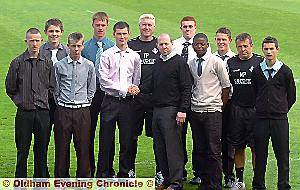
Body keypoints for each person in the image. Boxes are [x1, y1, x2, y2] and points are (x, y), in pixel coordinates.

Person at [5, 28, 55, 177]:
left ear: (41, 42)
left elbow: (52, 87)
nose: (34, 44)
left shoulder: (47, 62)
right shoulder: (17, 62)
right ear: (26, 41)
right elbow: (10, 88)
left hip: (42, 113)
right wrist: (21, 102)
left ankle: (40, 181)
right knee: (22, 150)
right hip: (24, 113)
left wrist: (43, 100)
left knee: (41, 150)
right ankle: (20, 181)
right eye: (31, 40)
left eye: (37, 40)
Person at [147, 33, 192, 190]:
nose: (164, 47)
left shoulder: (179, 62)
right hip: (157, 110)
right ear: (157, 46)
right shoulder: (158, 62)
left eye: (166, 44)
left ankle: (176, 182)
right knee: (160, 147)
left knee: (173, 148)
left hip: (172, 111)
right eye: (161, 44)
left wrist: (182, 110)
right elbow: (151, 85)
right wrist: (135, 89)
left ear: (171, 44)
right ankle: (166, 180)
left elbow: (187, 87)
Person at [96, 21, 141, 178]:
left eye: (124, 33)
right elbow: (104, 81)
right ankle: (104, 173)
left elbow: (136, 78)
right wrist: (124, 88)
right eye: (119, 34)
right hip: (110, 101)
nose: (122, 36)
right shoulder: (106, 55)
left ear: (129, 34)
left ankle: (124, 173)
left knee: (127, 140)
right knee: (106, 139)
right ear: (114, 34)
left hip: (128, 103)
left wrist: (133, 88)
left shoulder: (134, 56)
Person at [252, 36, 296, 190]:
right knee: (260, 155)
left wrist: (280, 109)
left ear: (277, 50)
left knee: (282, 155)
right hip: (261, 119)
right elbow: (254, 92)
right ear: (262, 50)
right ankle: (258, 185)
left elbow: (291, 96)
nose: (269, 52)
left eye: (272, 49)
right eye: (266, 49)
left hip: (279, 120)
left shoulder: (285, 71)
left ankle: (283, 185)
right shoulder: (257, 71)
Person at [188, 33, 230, 190]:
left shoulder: (216, 62)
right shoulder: (191, 63)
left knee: (213, 149)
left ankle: (215, 184)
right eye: (196, 44)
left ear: (207, 45)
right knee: (200, 148)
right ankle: (205, 183)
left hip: (212, 111)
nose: (199, 47)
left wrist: (220, 106)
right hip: (195, 111)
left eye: (202, 44)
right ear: (193, 45)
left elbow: (226, 87)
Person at [54, 32, 96, 177]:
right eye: (73, 46)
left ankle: (83, 180)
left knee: (83, 147)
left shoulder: (89, 65)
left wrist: (85, 102)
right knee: (61, 147)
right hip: (63, 110)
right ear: (68, 46)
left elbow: (92, 88)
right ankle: (61, 180)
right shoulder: (59, 65)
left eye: (79, 46)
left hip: (82, 111)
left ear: (83, 46)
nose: (76, 49)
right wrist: (62, 102)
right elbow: (56, 88)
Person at [227, 33, 264, 190]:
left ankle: (257, 181)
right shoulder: (231, 62)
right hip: (237, 111)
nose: (243, 49)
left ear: (251, 46)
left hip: (255, 112)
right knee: (239, 146)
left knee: (256, 147)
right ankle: (240, 180)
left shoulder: (260, 62)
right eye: (240, 47)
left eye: (246, 46)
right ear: (236, 47)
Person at [127, 13, 161, 180]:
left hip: (155, 100)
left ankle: (160, 172)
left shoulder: (159, 44)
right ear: (139, 26)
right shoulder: (131, 44)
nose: (146, 27)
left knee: (158, 137)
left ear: (154, 27)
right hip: (135, 99)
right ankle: (129, 170)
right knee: (132, 136)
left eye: (149, 25)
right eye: (144, 24)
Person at [82, 11, 115, 177]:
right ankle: (89, 169)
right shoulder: (85, 47)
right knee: (88, 132)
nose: (100, 28)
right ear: (93, 25)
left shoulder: (113, 47)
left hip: (109, 95)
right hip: (90, 95)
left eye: (103, 25)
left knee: (107, 133)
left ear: (107, 25)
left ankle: (107, 170)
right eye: (97, 25)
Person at [40, 18, 69, 177]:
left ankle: (62, 174)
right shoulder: (40, 50)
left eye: (57, 31)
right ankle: (42, 174)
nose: (54, 34)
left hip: (63, 103)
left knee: (63, 139)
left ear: (61, 33)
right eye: (51, 31)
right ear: (46, 33)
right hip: (44, 102)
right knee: (43, 139)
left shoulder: (68, 51)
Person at [172, 15, 197, 183]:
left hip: (196, 98)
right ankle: (180, 170)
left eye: (190, 26)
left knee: (198, 136)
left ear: (195, 28)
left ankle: (199, 171)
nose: (187, 29)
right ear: (181, 28)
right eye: (185, 27)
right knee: (178, 136)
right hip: (178, 99)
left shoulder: (202, 45)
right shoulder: (174, 45)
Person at [213, 27, 236, 188]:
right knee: (213, 140)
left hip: (230, 105)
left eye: (224, 39)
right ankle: (210, 175)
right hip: (214, 104)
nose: (221, 42)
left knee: (229, 141)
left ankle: (229, 175)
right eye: (218, 39)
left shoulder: (235, 59)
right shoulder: (210, 58)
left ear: (230, 40)